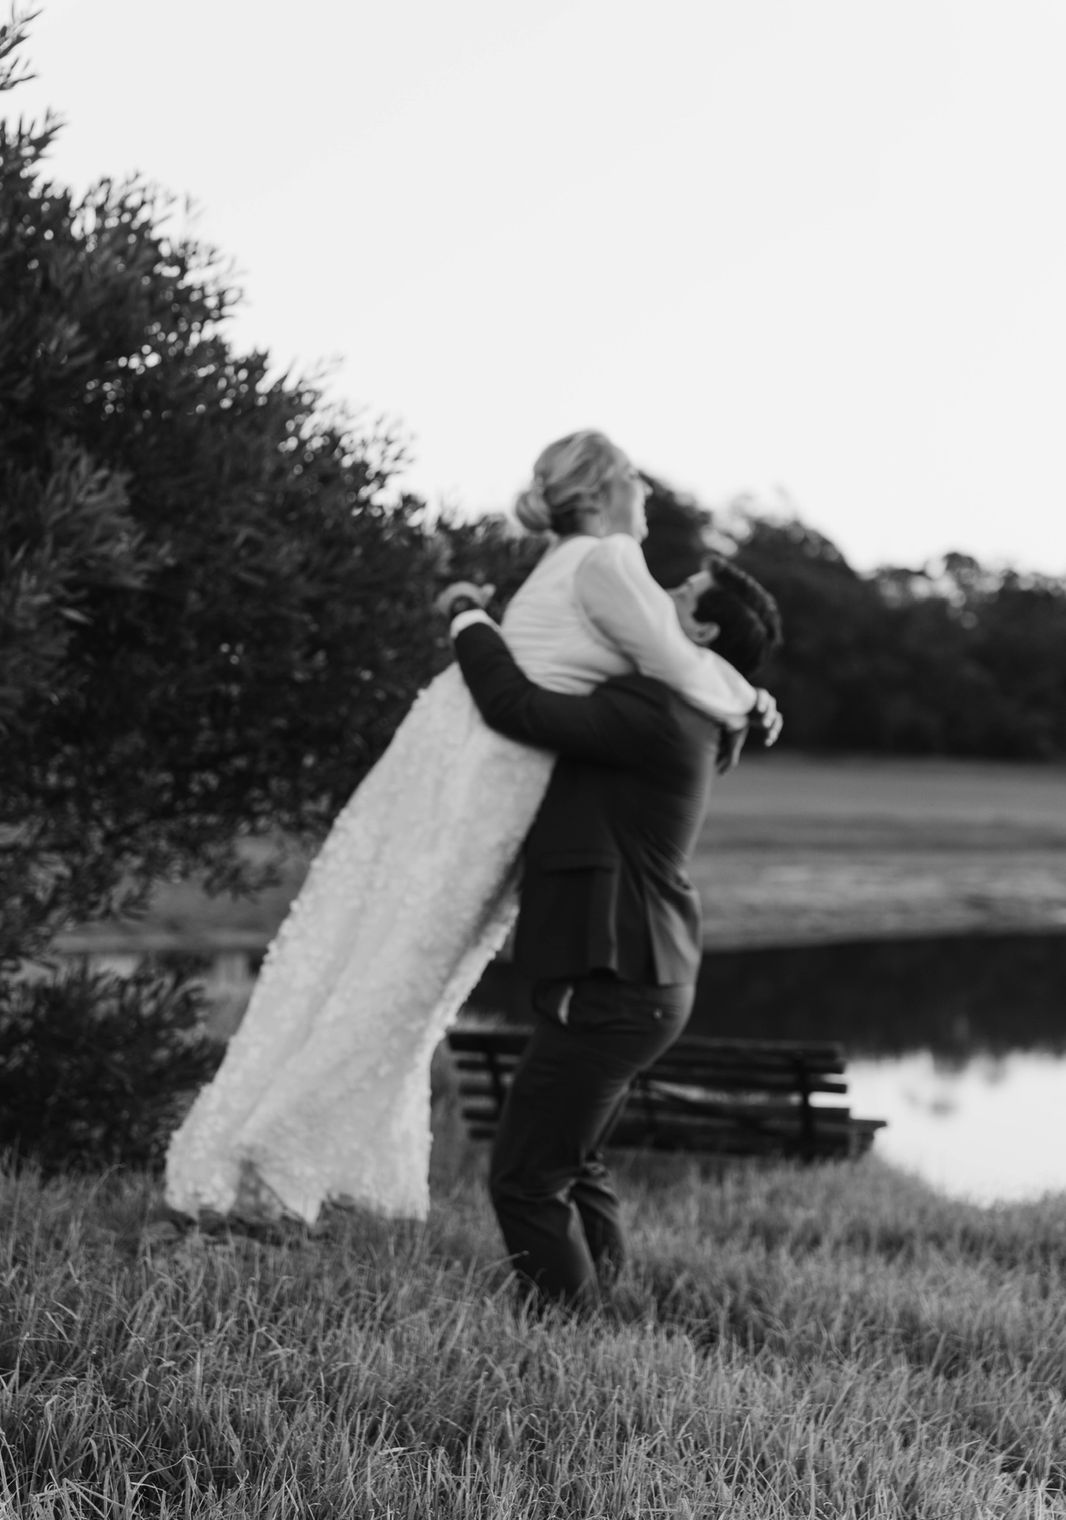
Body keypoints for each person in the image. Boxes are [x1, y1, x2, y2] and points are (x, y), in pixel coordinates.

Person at [165, 431, 780, 1227]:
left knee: (389, 960)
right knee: (406, 976)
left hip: (467, 758)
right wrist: (749, 699)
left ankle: (283, 1155)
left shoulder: (576, 559)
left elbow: (679, 661)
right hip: (495, 771)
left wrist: (741, 689)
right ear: (595, 493)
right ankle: (272, 1159)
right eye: (632, 477)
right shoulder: (606, 560)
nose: (647, 492)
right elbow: (676, 662)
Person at [445, 556, 782, 1305]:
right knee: (578, 1161)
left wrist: (467, 612)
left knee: (525, 1179)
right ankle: (612, 1300)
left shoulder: (656, 709)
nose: (660, 592)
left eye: (683, 592)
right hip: (645, 977)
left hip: (615, 979)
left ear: (700, 628)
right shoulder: (707, 707)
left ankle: (570, 1335)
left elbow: (516, 707)